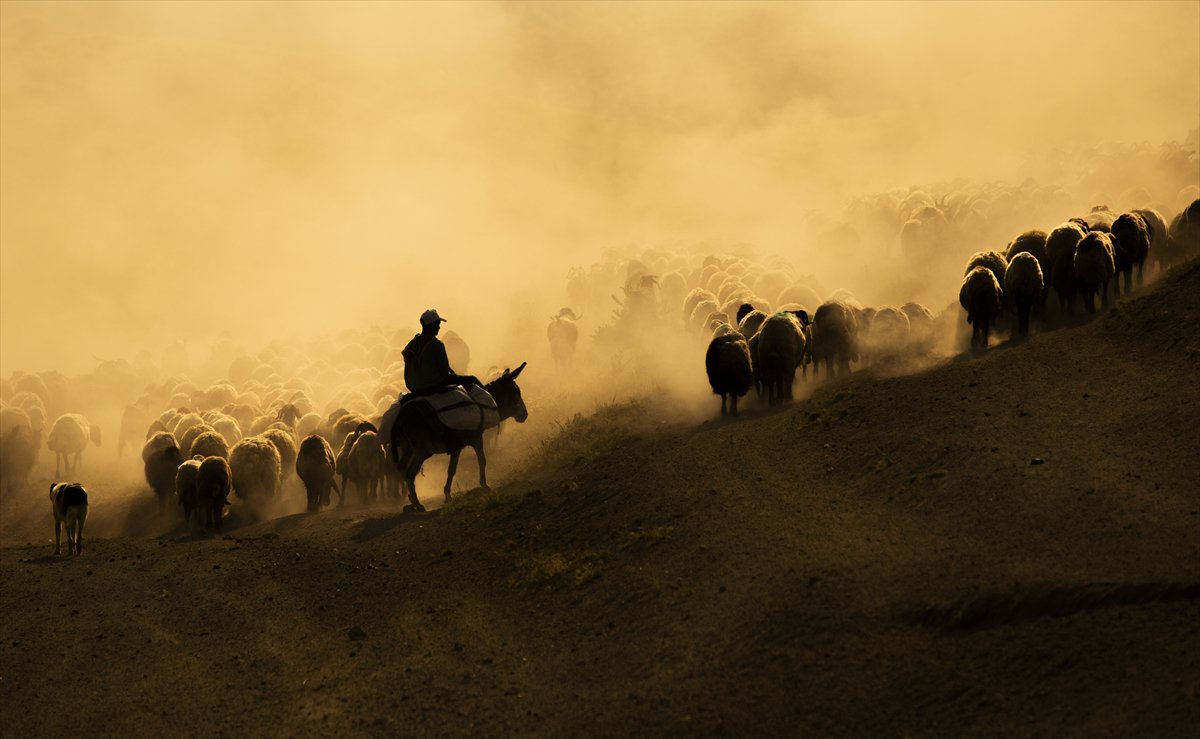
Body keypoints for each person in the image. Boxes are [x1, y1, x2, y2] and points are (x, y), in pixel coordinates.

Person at [401, 309, 479, 396]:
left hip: (413, 388)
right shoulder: (437, 344)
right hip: (433, 385)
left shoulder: (410, 345)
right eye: (437, 325)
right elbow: (445, 373)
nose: (439, 327)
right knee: (473, 379)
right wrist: (455, 376)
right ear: (431, 326)